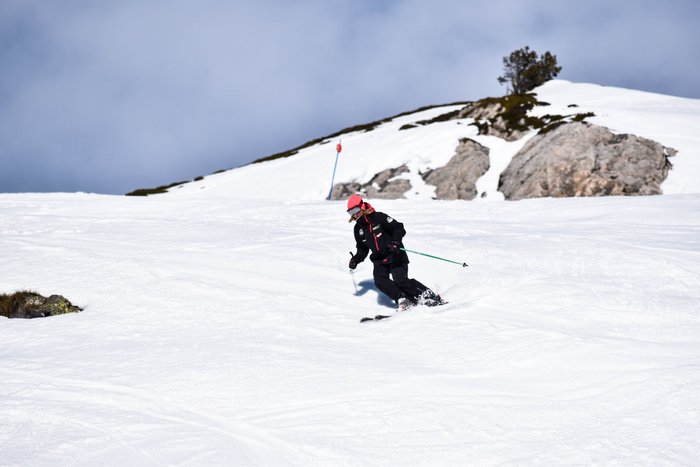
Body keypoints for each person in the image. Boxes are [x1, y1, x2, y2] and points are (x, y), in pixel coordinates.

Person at [346, 194, 443, 310]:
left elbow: (399, 228)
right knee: (380, 281)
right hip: (379, 260)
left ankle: (428, 295)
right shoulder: (358, 229)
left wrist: (396, 242)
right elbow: (362, 249)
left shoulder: (379, 217)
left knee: (400, 280)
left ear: (362, 207)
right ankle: (402, 299)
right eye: (351, 212)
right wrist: (356, 259)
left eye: (356, 210)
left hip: (395, 254)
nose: (354, 215)